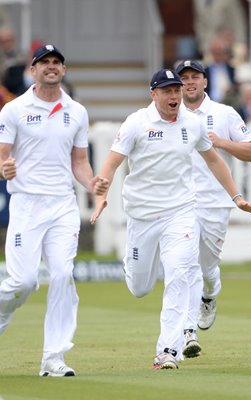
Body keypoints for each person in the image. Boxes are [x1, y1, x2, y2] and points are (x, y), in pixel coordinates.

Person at [90, 68, 251, 370]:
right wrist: (101, 191)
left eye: (177, 90)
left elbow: (214, 161)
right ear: (153, 94)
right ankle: (133, 267)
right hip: (142, 216)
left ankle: (167, 350)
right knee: (139, 288)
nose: (174, 96)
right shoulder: (136, 123)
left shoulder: (192, 124)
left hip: (181, 212)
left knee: (180, 274)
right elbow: (112, 161)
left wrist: (237, 198)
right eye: (167, 91)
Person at [0, 44, 108, 377]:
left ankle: (54, 357)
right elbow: (3, 154)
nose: (50, 66)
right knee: (24, 281)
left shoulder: (76, 111)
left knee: (62, 275)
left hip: (62, 205)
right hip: (27, 204)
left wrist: (92, 185)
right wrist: (5, 168)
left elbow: (79, 162)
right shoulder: (14, 110)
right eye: (44, 62)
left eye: (56, 62)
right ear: (32, 70)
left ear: (63, 69)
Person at [174, 59, 251, 358]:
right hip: (180, 203)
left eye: (195, 76)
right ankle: (187, 334)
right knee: (185, 264)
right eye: (184, 78)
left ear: (205, 82)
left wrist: (221, 142)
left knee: (207, 267)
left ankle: (210, 293)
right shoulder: (172, 114)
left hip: (216, 202)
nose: (189, 82)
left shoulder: (224, 114)